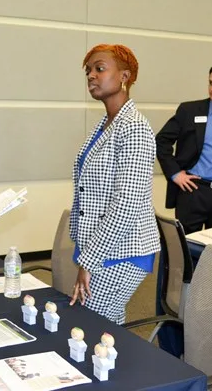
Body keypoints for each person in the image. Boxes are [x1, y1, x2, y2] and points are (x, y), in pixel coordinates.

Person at [69, 44, 160, 324]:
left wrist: (89, 259)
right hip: (101, 247)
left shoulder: (134, 127)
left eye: (99, 68)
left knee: (92, 326)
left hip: (122, 251)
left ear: (124, 76)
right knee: (104, 329)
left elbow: (126, 204)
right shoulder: (107, 124)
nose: (91, 76)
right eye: (88, 71)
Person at [156, 68, 212, 235]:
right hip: (193, 190)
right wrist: (175, 173)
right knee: (186, 246)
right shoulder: (190, 111)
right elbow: (161, 141)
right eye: (211, 83)